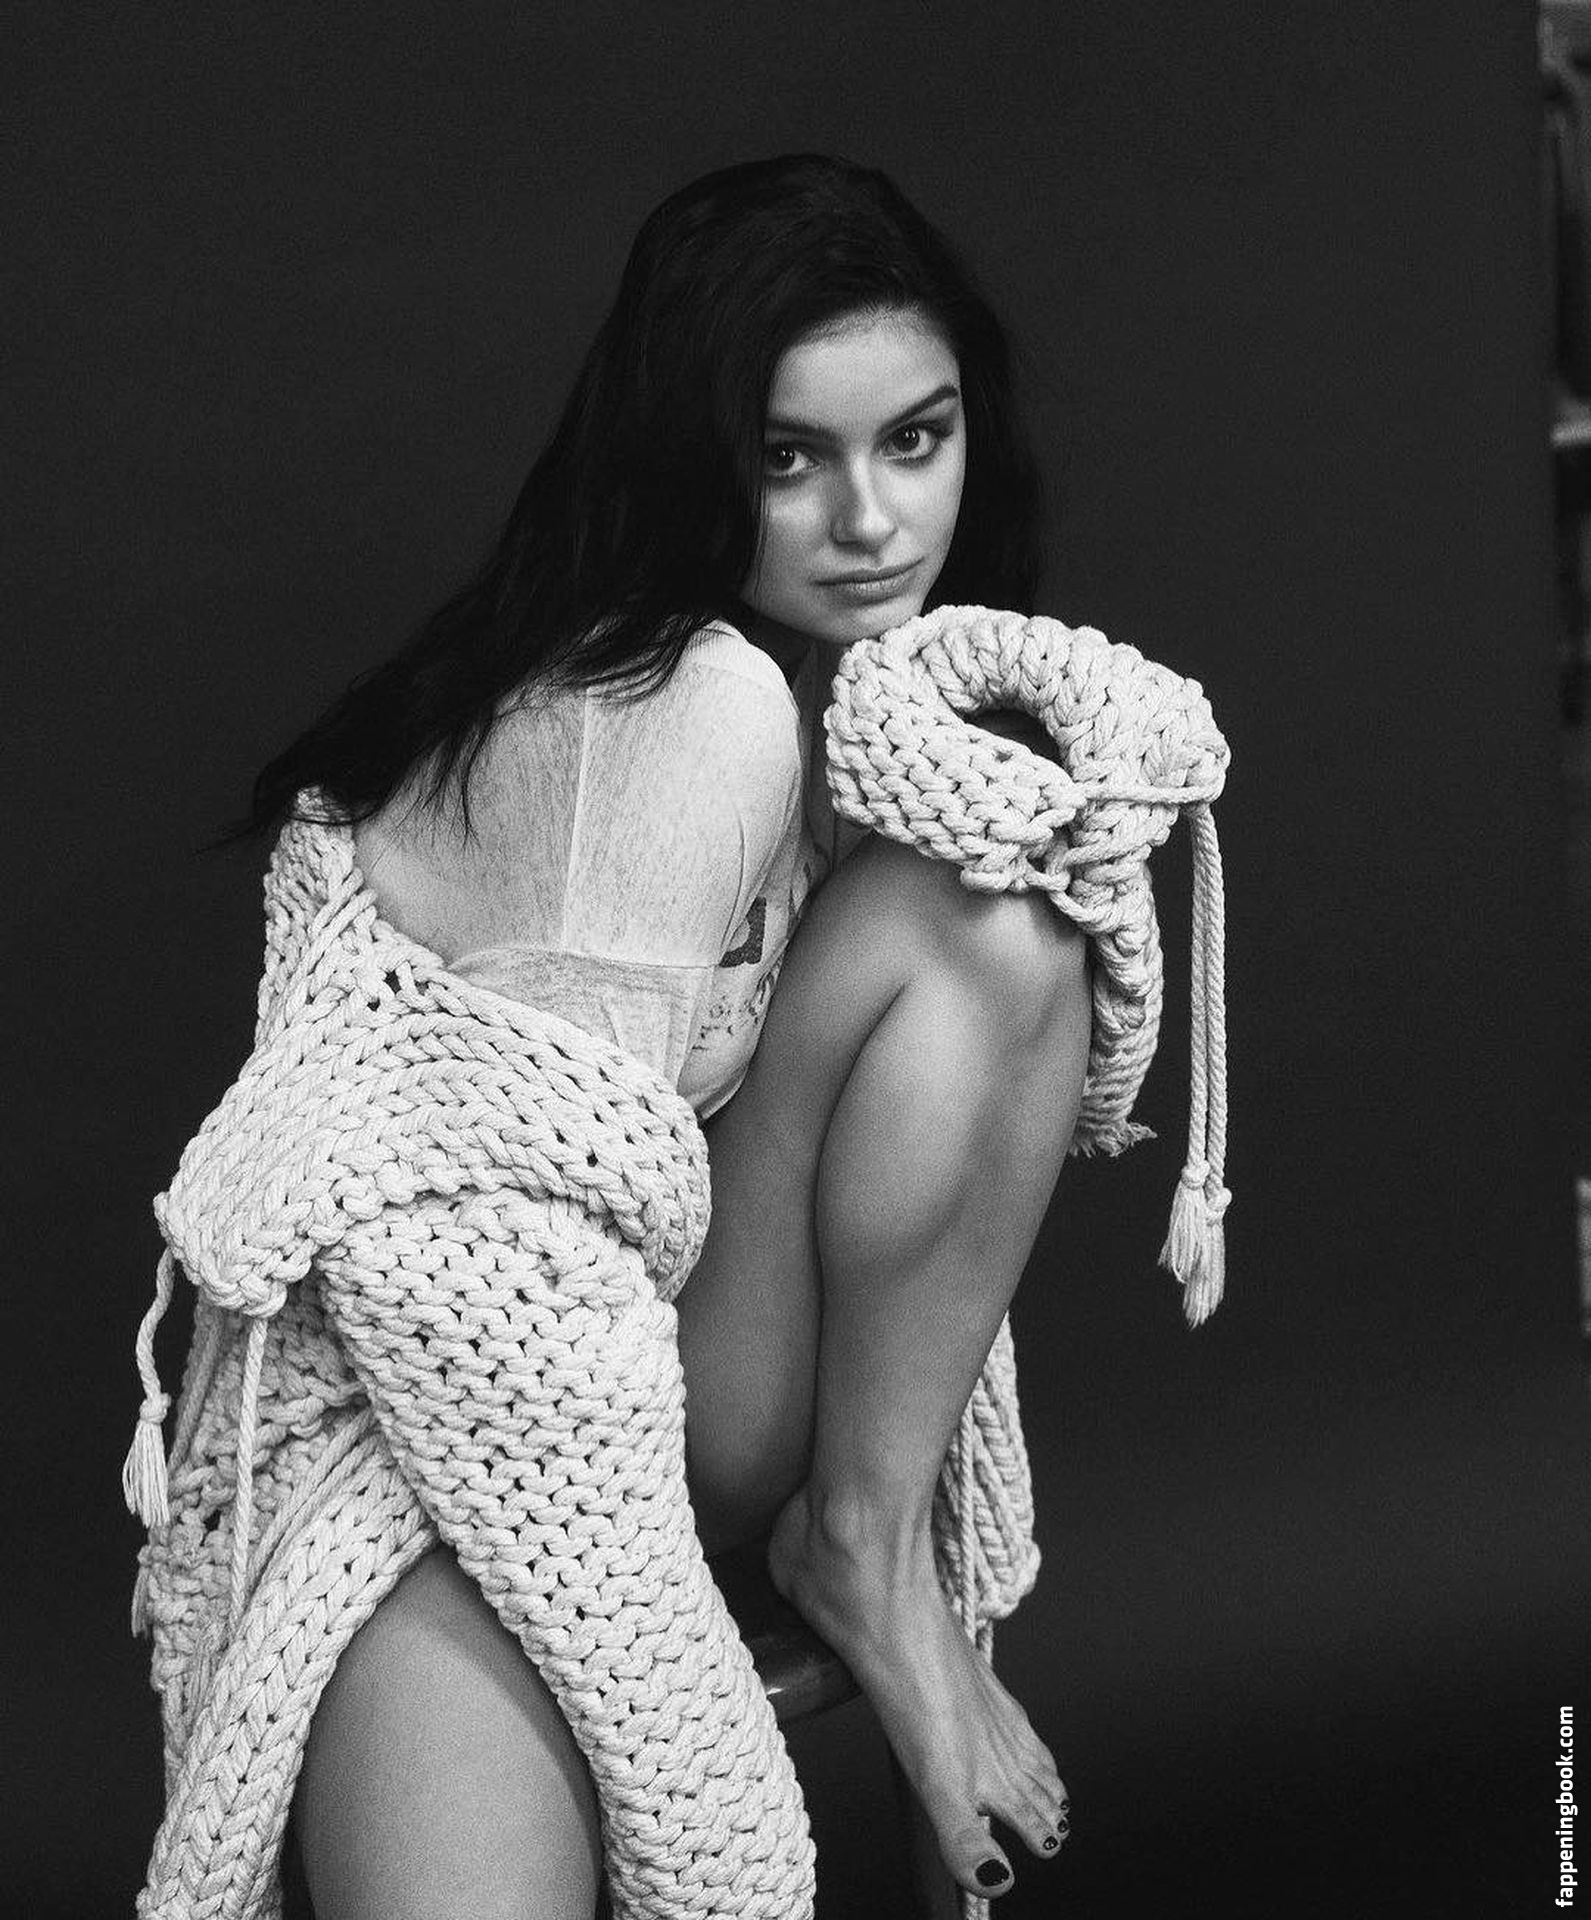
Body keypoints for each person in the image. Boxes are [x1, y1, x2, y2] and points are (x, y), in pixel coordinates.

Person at [241, 151, 1087, 1916]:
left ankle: (862, 1545)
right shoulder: (685, 708)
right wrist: (667, 1708)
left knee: (998, 915)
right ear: (693, 460)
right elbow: (502, 1305)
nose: (871, 520)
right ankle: (837, 1560)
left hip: (672, 1386)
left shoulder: (873, 709)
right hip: (438, 1451)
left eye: (915, 440)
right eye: (790, 460)